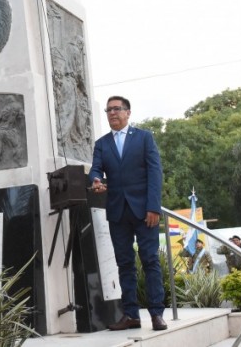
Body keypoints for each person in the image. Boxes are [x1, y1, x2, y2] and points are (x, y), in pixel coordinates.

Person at [90, 96, 167, 331]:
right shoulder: (102, 143)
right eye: (108, 110)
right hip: (117, 212)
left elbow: (155, 173)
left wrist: (153, 207)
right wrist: (95, 179)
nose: (112, 113)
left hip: (145, 212)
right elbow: (96, 168)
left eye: (116, 109)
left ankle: (156, 314)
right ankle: (131, 314)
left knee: (150, 260)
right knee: (124, 264)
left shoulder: (144, 138)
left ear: (128, 112)